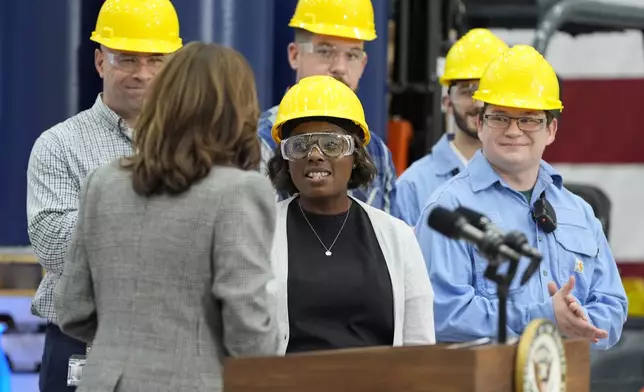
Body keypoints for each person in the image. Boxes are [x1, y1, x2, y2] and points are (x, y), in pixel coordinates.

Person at [54, 42, 281, 392]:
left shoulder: (103, 182)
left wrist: (132, 342)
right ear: (240, 110)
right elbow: (247, 329)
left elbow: (72, 308)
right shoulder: (240, 191)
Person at [414, 45, 628, 349]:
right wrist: (542, 318)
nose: (514, 131)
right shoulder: (449, 208)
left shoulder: (579, 212)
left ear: (551, 130)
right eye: (500, 117)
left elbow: (612, 304)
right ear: (480, 124)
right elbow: (441, 316)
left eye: (528, 119)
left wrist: (583, 321)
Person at [26, 1, 182, 390]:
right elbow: (55, 244)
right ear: (100, 62)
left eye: (156, 60)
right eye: (127, 59)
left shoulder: (199, 146)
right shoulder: (58, 145)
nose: (142, 74)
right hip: (82, 347)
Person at [266, 75, 435, 354]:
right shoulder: (261, 232)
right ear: (285, 158)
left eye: (332, 144)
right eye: (300, 145)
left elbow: (419, 346)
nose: (315, 155)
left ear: (355, 155)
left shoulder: (397, 237)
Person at [258, 0, 398, 215]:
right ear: (295, 55)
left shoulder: (378, 154)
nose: (340, 67)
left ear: (363, 64)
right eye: (325, 51)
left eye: (351, 55)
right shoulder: (260, 144)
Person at [395, 29, 508, 226]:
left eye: (488, 92)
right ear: (447, 102)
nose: (479, 104)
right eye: (468, 92)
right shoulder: (413, 186)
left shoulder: (522, 177)